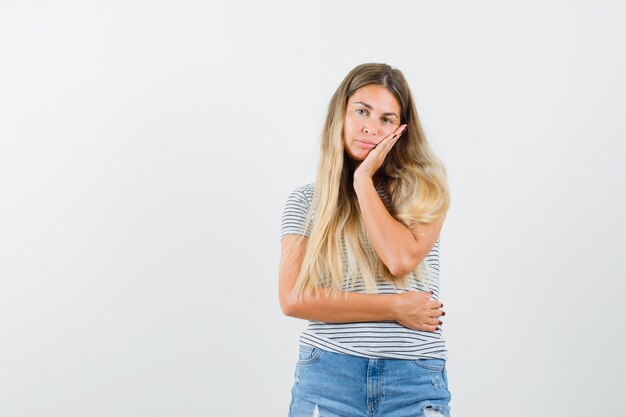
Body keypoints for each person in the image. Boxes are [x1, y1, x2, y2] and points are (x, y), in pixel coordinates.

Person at [279, 63, 452, 417]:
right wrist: (395, 307)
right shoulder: (305, 202)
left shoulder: (424, 191)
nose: (371, 127)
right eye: (361, 111)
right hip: (329, 375)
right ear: (340, 115)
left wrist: (363, 182)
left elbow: (400, 258)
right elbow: (294, 299)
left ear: (401, 130)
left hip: (413, 378)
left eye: (387, 119)